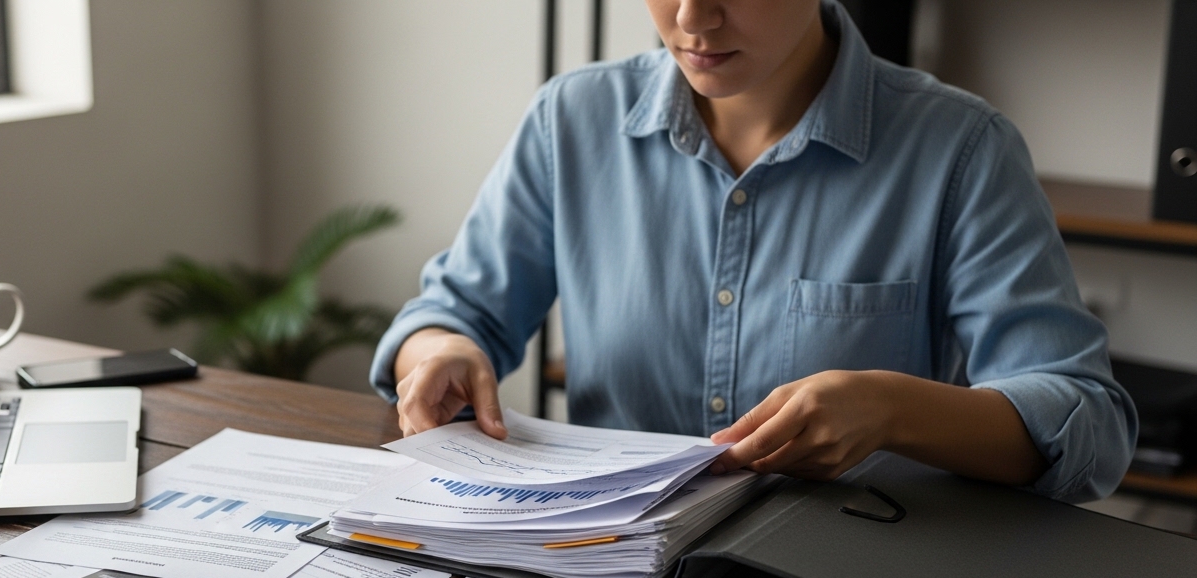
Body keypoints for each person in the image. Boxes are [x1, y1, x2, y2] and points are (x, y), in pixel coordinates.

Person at [370, 0, 1136, 503]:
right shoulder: (571, 119)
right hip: (609, 568)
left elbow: (1087, 425)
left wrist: (894, 410)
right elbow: (456, 311)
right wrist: (436, 350)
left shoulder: (961, 149)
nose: (694, 18)